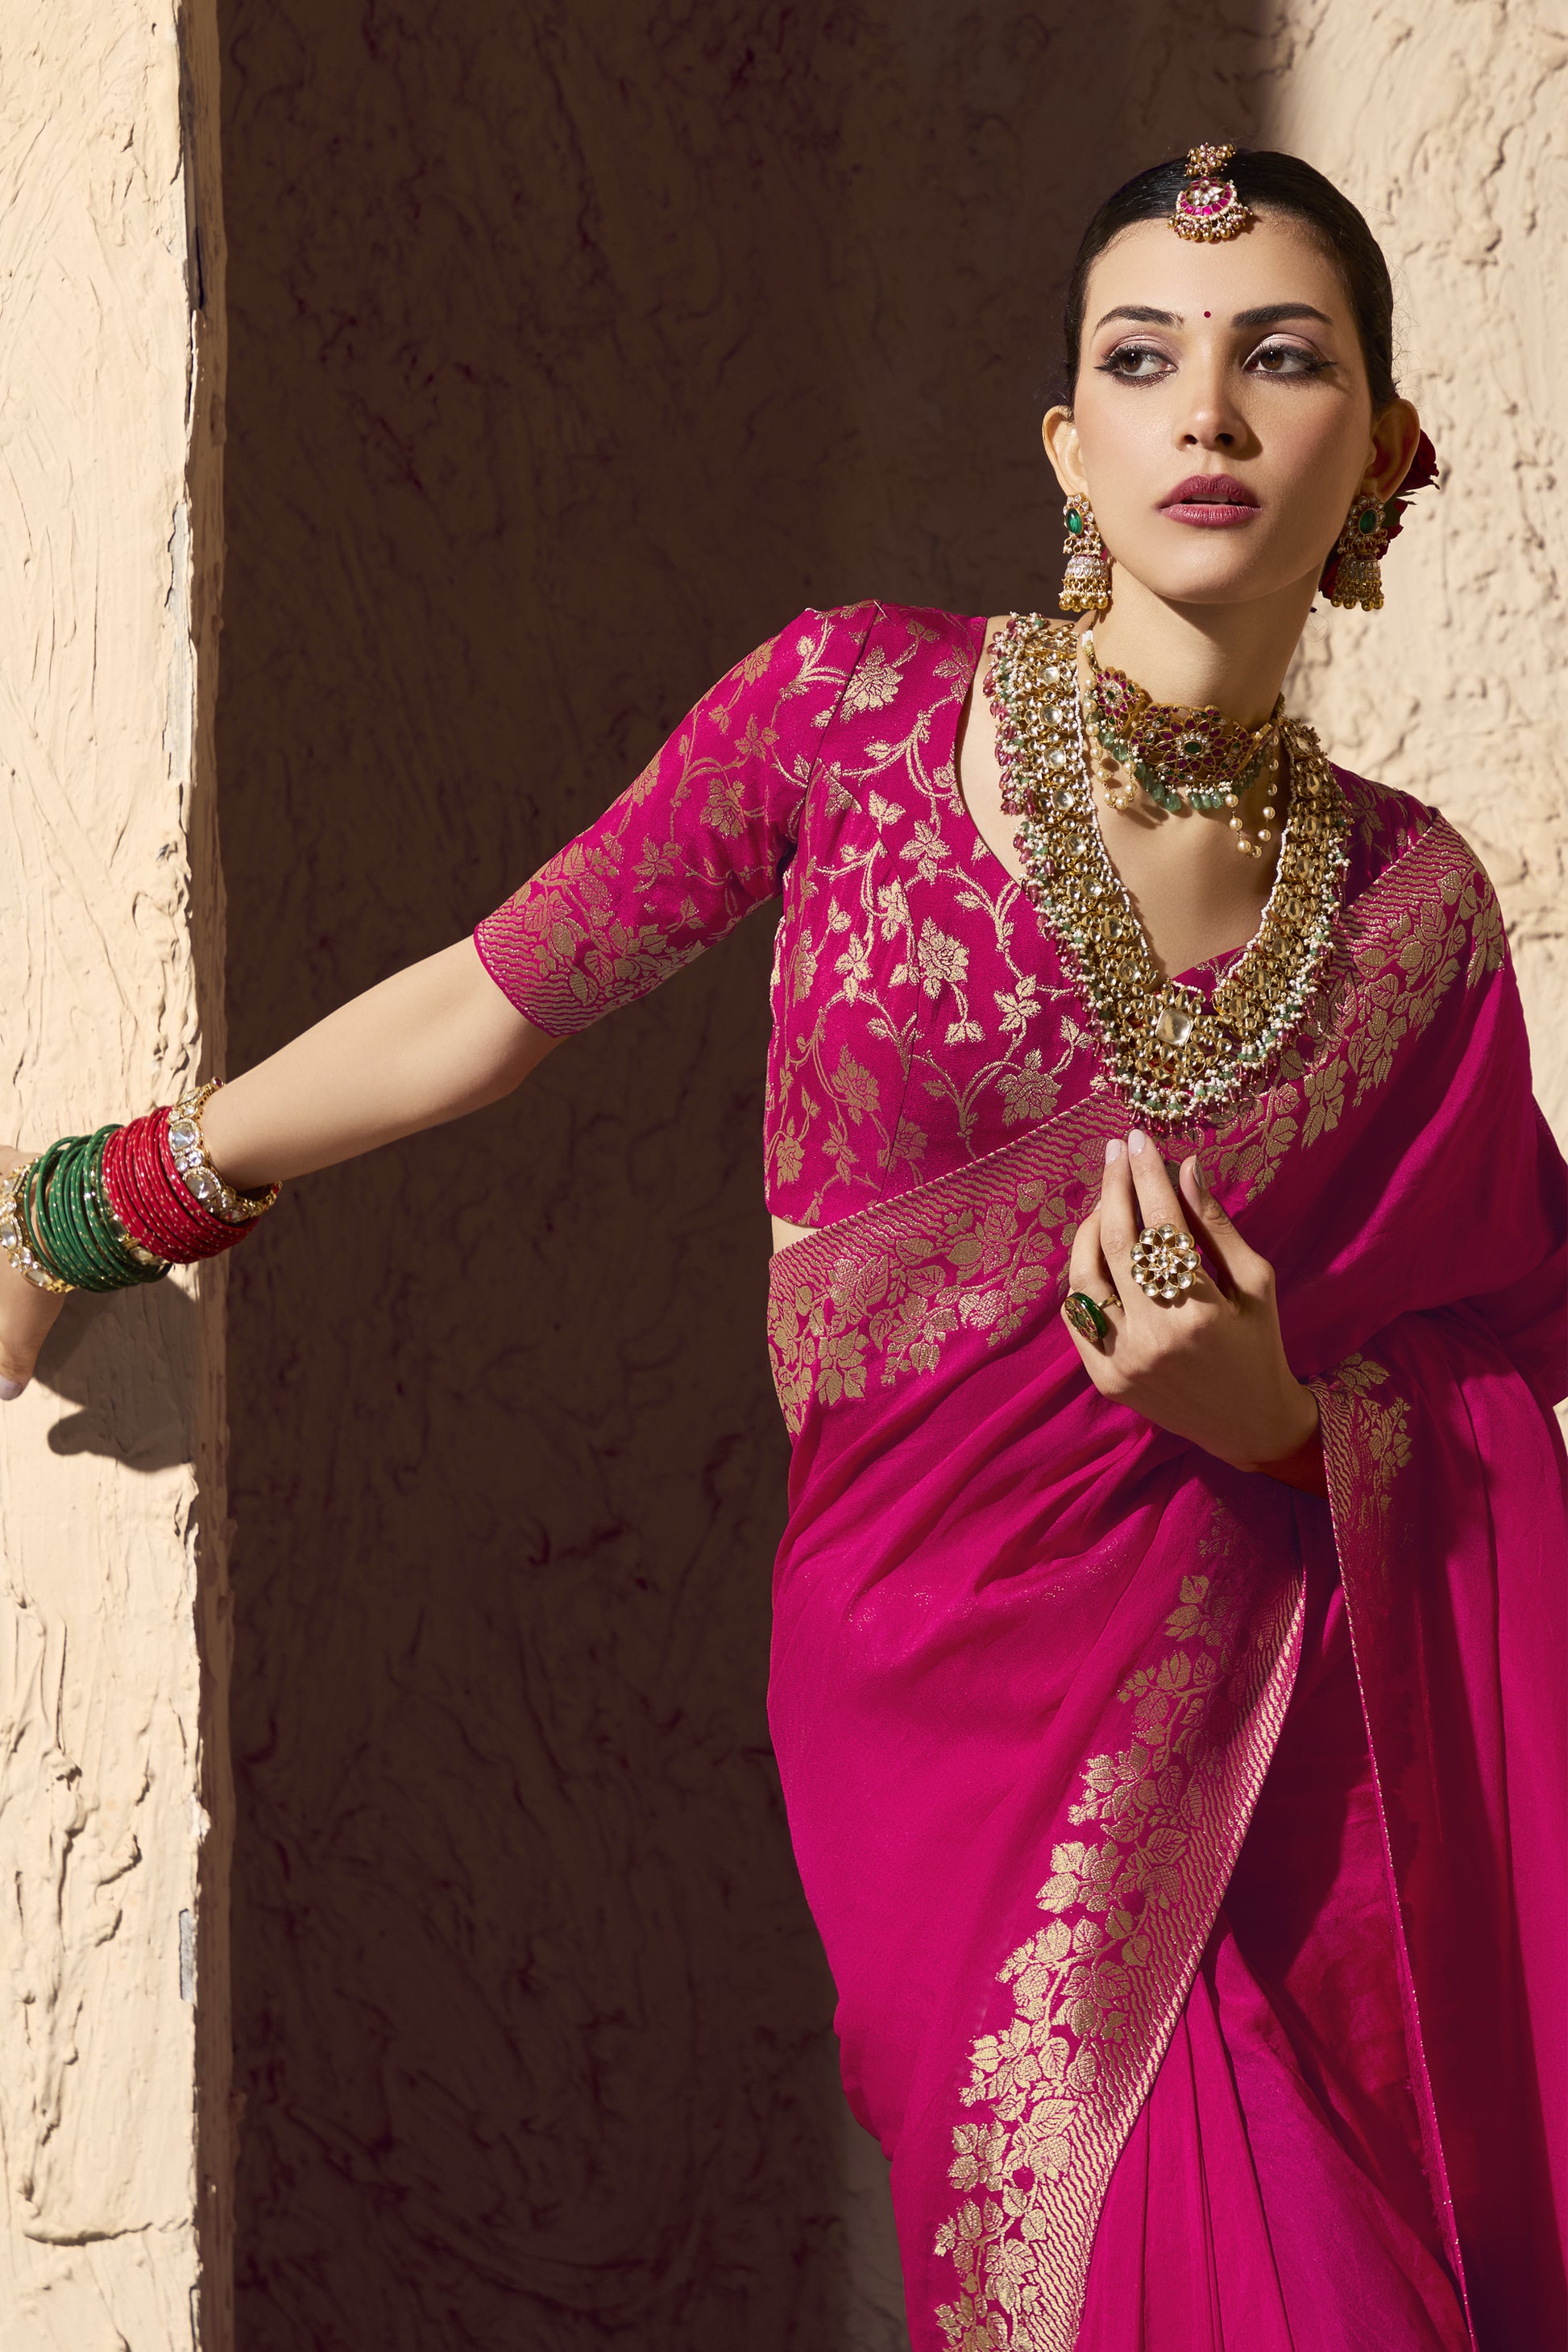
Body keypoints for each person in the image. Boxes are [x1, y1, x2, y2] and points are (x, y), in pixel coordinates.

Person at [2, 146, 1562, 2350]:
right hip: (938, 1696)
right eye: (1141, 360)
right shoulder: (853, 712)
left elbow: (1505, 1349)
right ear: (1067, 444)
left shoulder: (1415, 917)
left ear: (1385, 449)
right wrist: (99, 1200)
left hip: (1281, 1745)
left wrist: (1298, 1433)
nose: (1202, 414)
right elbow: (486, 1003)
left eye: (1278, 358)